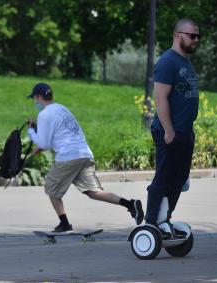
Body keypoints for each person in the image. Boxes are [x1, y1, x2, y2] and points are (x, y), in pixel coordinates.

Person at [26, 83, 144, 232]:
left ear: (38, 97)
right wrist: (41, 146)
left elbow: (45, 142)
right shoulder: (62, 109)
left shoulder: (44, 114)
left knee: (51, 188)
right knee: (93, 192)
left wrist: (31, 132)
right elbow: (61, 134)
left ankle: (64, 224)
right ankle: (130, 204)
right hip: (84, 153)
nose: (34, 102)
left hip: (69, 157)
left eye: (34, 99)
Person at [145, 19, 200, 237]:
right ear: (178, 35)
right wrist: (169, 130)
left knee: (179, 178)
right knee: (164, 176)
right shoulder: (168, 62)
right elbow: (160, 98)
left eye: (198, 36)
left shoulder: (185, 62)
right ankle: (150, 222)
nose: (196, 40)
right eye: (192, 35)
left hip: (186, 131)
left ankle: (164, 219)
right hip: (170, 131)